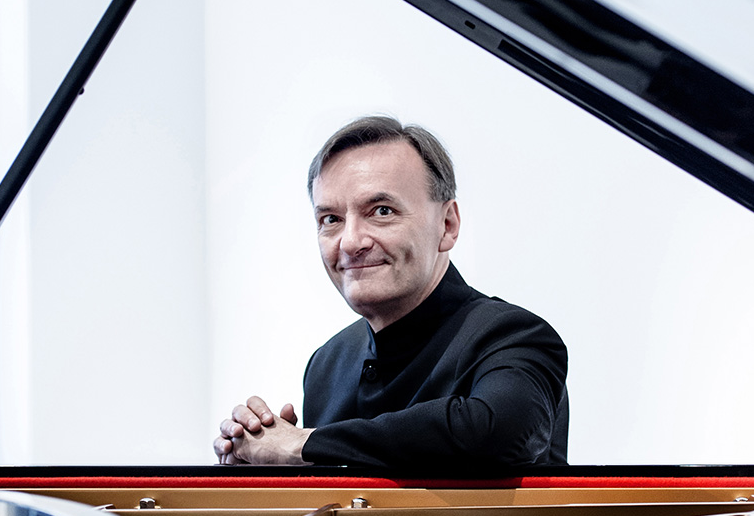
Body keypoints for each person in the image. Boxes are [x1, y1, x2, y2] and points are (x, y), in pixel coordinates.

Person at [213, 116, 568, 468]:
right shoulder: (327, 364)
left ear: (447, 225)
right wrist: (268, 474)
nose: (350, 242)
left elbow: (495, 432)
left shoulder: (513, 336)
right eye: (331, 220)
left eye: (381, 211)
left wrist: (303, 444)